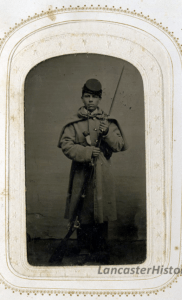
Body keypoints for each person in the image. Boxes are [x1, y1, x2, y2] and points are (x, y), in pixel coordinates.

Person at [58, 78, 127, 264]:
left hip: (102, 173)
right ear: (82, 97)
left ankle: (100, 248)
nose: (90, 100)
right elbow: (65, 145)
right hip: (81, 173)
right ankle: (84, 247)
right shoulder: (74, 123)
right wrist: (87, 152)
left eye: (94, 97)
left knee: (101, 210)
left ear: (100, 99)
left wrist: (106, 134)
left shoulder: (107, 122)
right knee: (83, 209)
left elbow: (120, 145)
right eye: (87, 96)